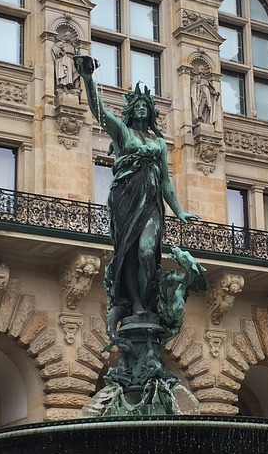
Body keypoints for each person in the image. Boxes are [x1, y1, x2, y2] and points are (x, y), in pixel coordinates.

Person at [72, 55, 199, 341]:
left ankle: (148, 300)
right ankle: (137, 305)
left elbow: (166, 180)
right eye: (137, 105)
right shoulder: (123, 132)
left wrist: (179, 211)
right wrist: (89, 80)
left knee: (146, 251)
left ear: (151, 111)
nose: (141, 108)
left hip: (151, 198)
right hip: (125, 197)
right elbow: (100, 112)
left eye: (146, 106)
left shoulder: (158, 143)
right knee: (128, 253)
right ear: (132, 109)